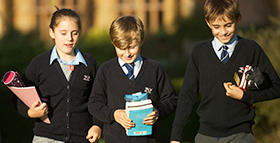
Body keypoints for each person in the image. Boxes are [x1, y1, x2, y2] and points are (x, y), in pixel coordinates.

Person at [170, 0, 280, 143]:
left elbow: (276, 88)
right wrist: (175, 137)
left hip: (241, 135)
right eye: (216, 27)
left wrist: (244, 96)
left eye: (228, 25)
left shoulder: (251, 49)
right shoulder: (199, 52)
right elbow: (187, 97)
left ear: (238, 19)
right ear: (208, 23)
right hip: (205, 137)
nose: (223, 32)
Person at [13, 8, 102, 143]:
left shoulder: (90, 63)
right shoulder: (39, 63)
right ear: (52, 33)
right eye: (63, 33)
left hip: (81, 138)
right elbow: (18, 96)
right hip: (45, 138)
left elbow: (98, 99)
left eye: (75, 33)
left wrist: (97, 125)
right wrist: (30, 112)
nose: (69, 38)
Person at [88, 15, 177, 143]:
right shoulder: (105, 70)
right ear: (113, 43)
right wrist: (113, 114)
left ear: (141, 41)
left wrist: (158, 112)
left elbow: (171, 100)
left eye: (132, 47)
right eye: (121, 48)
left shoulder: (155, 69)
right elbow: (94, 104)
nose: (127, 53)